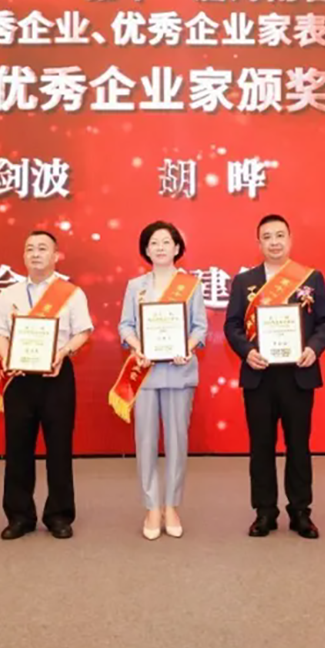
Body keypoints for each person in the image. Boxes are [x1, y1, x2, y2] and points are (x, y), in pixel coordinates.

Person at [224, 214, 325, 539]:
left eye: (280, 235)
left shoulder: (311, 278)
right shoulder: (245, 281)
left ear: (290, 239)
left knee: (299, 445)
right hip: (259, 375)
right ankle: (264, 512)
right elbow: (232, 325)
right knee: (261, 446)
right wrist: (247, 351)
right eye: (267, 237)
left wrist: (314, 348)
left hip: (299, 374)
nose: (274, 242)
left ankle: (301, 512)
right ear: (259, 243)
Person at [0, 231, 93, 540]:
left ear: (55, 255)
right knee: (17, 448)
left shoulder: (71, 293)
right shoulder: (9, 294)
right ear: (23, 256)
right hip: (19, 378)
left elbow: (83, 331)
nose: (35, 254)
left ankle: (59, 514)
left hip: (56, 375)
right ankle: (19, 516)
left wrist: (64, 352)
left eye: (42, 248)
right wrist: (7, 357)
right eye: (30, 248)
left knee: (59, 447)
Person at [114, 221, 207, 540]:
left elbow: (200, 328)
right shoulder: (135, 286)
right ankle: (152, 506)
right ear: (146, 250)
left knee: (178, 441)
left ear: (177, 247)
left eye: (166, 242)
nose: (160, 247)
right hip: (145, 373)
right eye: (154, 242)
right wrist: (137, 346)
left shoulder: (191, 285)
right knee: (145, 441)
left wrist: (187, 347)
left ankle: (172, 505)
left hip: (180, 372)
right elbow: (125, 326)